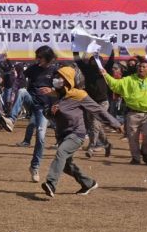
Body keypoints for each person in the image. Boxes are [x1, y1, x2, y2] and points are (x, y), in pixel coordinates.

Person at [40, 66, 121, 198]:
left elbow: (98, 110)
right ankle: (88, 183)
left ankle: (51, 183)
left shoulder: (79, 95)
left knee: (61, 152)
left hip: (76, 134)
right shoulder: (57, 95)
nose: (56, 80)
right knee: (66, 165)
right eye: (56, 77)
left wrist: (115, 124)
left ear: (68, 80)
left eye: (60, 77)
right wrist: (51, 112)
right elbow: (50, 115)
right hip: (62, 135)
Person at [6, 46, 58, 183]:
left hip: (43, 109)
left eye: (40, 57)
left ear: (47, 57)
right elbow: (19, 79)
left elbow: (61, 89)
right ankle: (11, 120)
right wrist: (14, 91)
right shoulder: (32, 69)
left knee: (40, 137)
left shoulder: (55, 71)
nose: (37, 59)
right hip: (31, 102)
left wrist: (52, 91)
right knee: (23, 91)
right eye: (37, 57)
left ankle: (34, 167)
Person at [72, 49, 116, 158]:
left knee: (95, 124)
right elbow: (78, 61)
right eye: (93, 61)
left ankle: (92, 146)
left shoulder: (105, 70)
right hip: (90, 101)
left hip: (103, 102)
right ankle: (107, 144)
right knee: (94, 126)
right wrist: (75, 48)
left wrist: (110, 48)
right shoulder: (87, 70)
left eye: (97, 61)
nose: (95, 63)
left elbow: (111, 60)